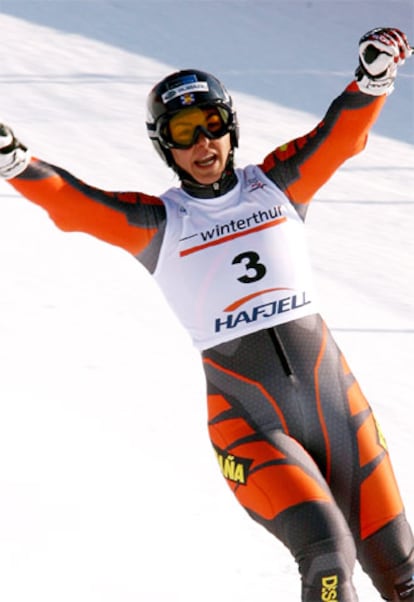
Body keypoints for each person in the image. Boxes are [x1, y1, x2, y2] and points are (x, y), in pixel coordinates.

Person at [0, 26, 412, 601]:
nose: (203, 143)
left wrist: (373, 80)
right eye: (184, 133)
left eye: (212, 125)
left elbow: (338, 138)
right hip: (250, 427)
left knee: (402, 571)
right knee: (326, 555)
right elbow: (77, 205)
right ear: (163, 146)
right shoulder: (158, 224)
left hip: (338, 408)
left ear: (231, 127)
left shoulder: (277, 185)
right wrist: (16, 163)